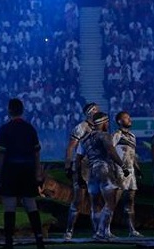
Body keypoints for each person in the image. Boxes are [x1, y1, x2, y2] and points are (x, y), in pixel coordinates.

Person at [0, 98, 45, 249]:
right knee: (30, 204)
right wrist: (37, 173)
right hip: (28, 170)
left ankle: (9, 242)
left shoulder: (5, 129)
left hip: (10, 170)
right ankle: (39, 239)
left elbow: (0, 156)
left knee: (9, 205)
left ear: (9, 110)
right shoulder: (30, 128)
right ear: (22, 110)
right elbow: (37, 153)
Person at [75, 111, 128, 240]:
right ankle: (101, 232)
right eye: (107, 122)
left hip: (91, 173)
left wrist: (79, 176)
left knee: (95, 205)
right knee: (110, 202)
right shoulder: (104, 135)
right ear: (103, 123)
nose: (108, 125)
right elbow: (111, 151)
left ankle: (98, 233)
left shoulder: (85, 139)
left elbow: (78, 159)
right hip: (104, 170)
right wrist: (123, 166)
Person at [63, 102, 98, 240]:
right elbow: (71, 147)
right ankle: (69, 231)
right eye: (95, 110)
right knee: (78, 200)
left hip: (94, 167)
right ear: (90, 112)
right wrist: (68, 165)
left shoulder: (99, 127)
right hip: (81, 167)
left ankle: (97, 232)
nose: (98, 112)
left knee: (95, 201)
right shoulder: (81, 127)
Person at [111, 111, 142, 237]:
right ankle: (104, 229)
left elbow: (132, 154)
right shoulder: (116, 135)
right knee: (113, 201)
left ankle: (132, 230)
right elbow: (110, 151)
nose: (129, 119)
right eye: (126, 117)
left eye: (129, 117)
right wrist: (113, 169)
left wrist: (137, 168)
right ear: (119, 121)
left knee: (130, 200)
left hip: (131, 172)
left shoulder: (132, 136)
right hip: (120, 170)